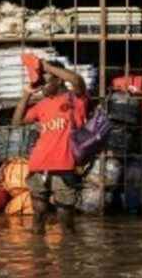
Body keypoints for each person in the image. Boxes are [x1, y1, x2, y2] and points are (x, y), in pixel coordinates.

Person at [11, 56, 87, 234]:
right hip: (39, 166)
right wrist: (27, 93)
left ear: (58, 79)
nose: (42, 86)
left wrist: (45, 67)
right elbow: (17, 122)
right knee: (38, 217)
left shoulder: (75, 99)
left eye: (45, 81)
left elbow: (77, 80)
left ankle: (68, 258)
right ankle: (39, 258)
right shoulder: (42, 105)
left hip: (64, 166)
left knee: (66, 220)